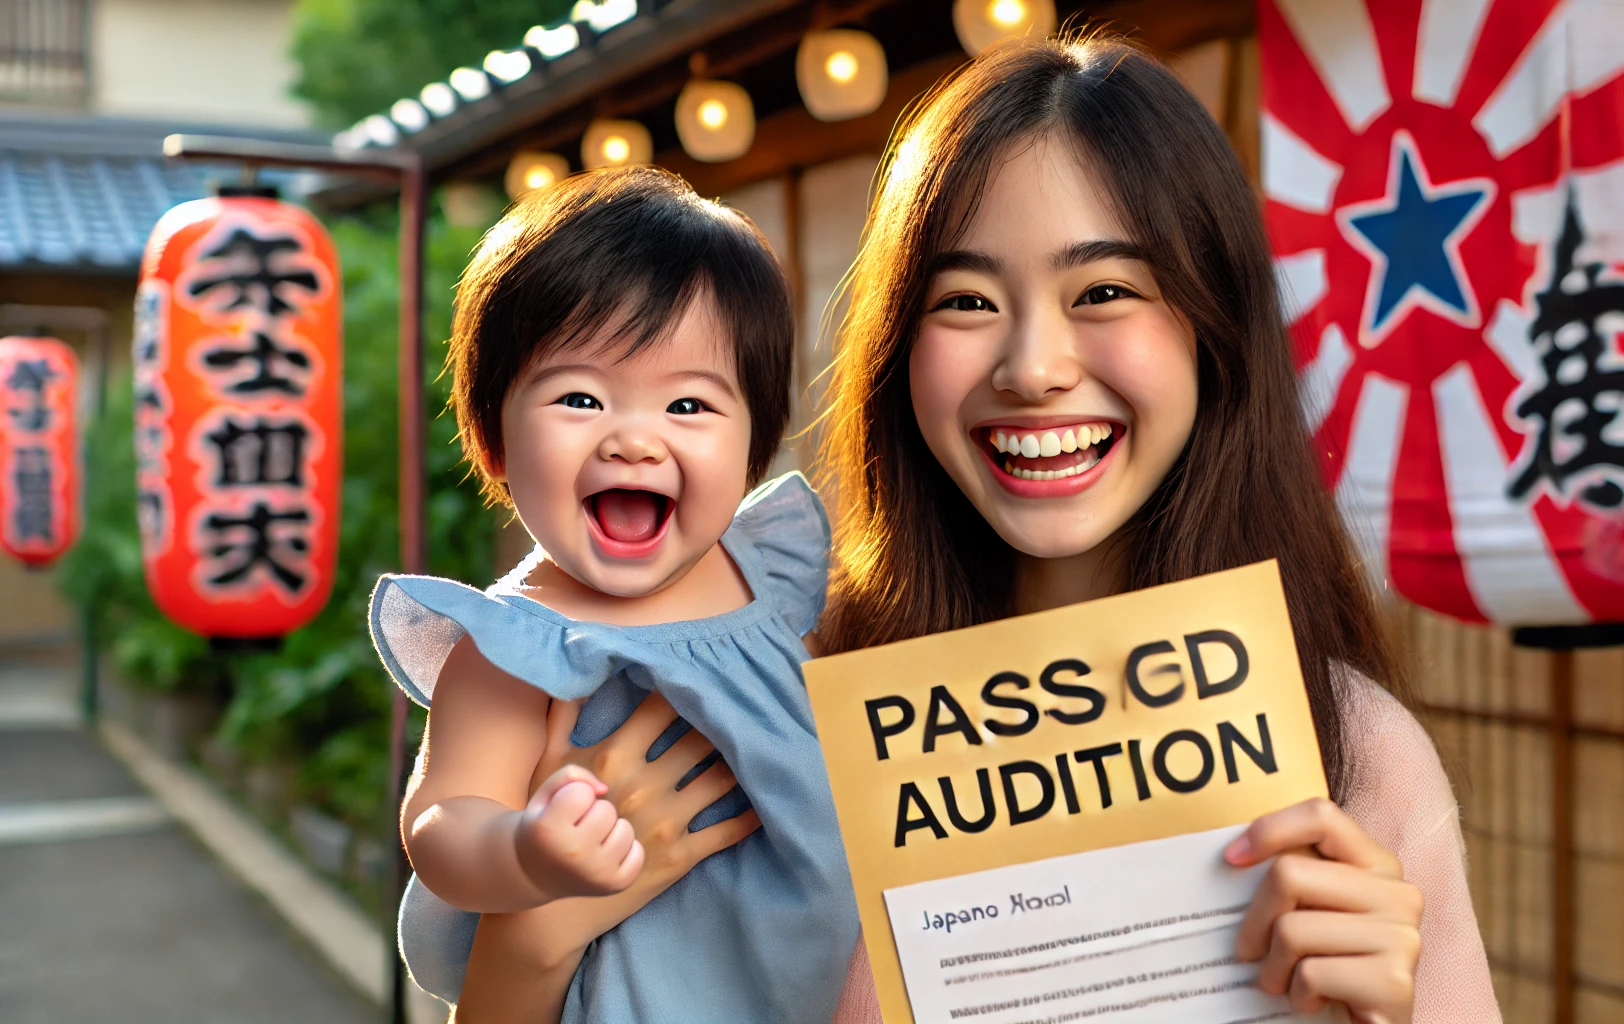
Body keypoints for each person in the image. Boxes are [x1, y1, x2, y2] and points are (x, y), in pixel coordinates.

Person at [420, 32, 1502, 1024]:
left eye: (1107, 289)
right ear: (897, 350)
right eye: (967, 302)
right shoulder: (773, 683)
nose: (1032, 367)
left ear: (1214, 336)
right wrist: (540, 923)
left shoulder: (1347, 748)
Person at [367, 166, 859, 1023]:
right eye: (581, 397)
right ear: (491, 438)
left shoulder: (772, 579)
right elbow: (442, 820)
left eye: (690, 404)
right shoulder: (522, 645)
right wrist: (526, 852)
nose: (635, 438)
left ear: (755, 445)